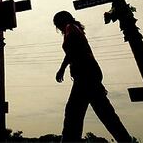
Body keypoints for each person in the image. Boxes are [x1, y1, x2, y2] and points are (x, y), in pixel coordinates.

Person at [53, 11, 132, 142]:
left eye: (57, 24)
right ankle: (125, 140)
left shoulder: (70, 28)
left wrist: (61, 69)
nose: (57, 27)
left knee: (73, 114)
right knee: (105, 113)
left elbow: (73, 49)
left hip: (85, 77)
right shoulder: (75, 29)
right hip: (89, 75)